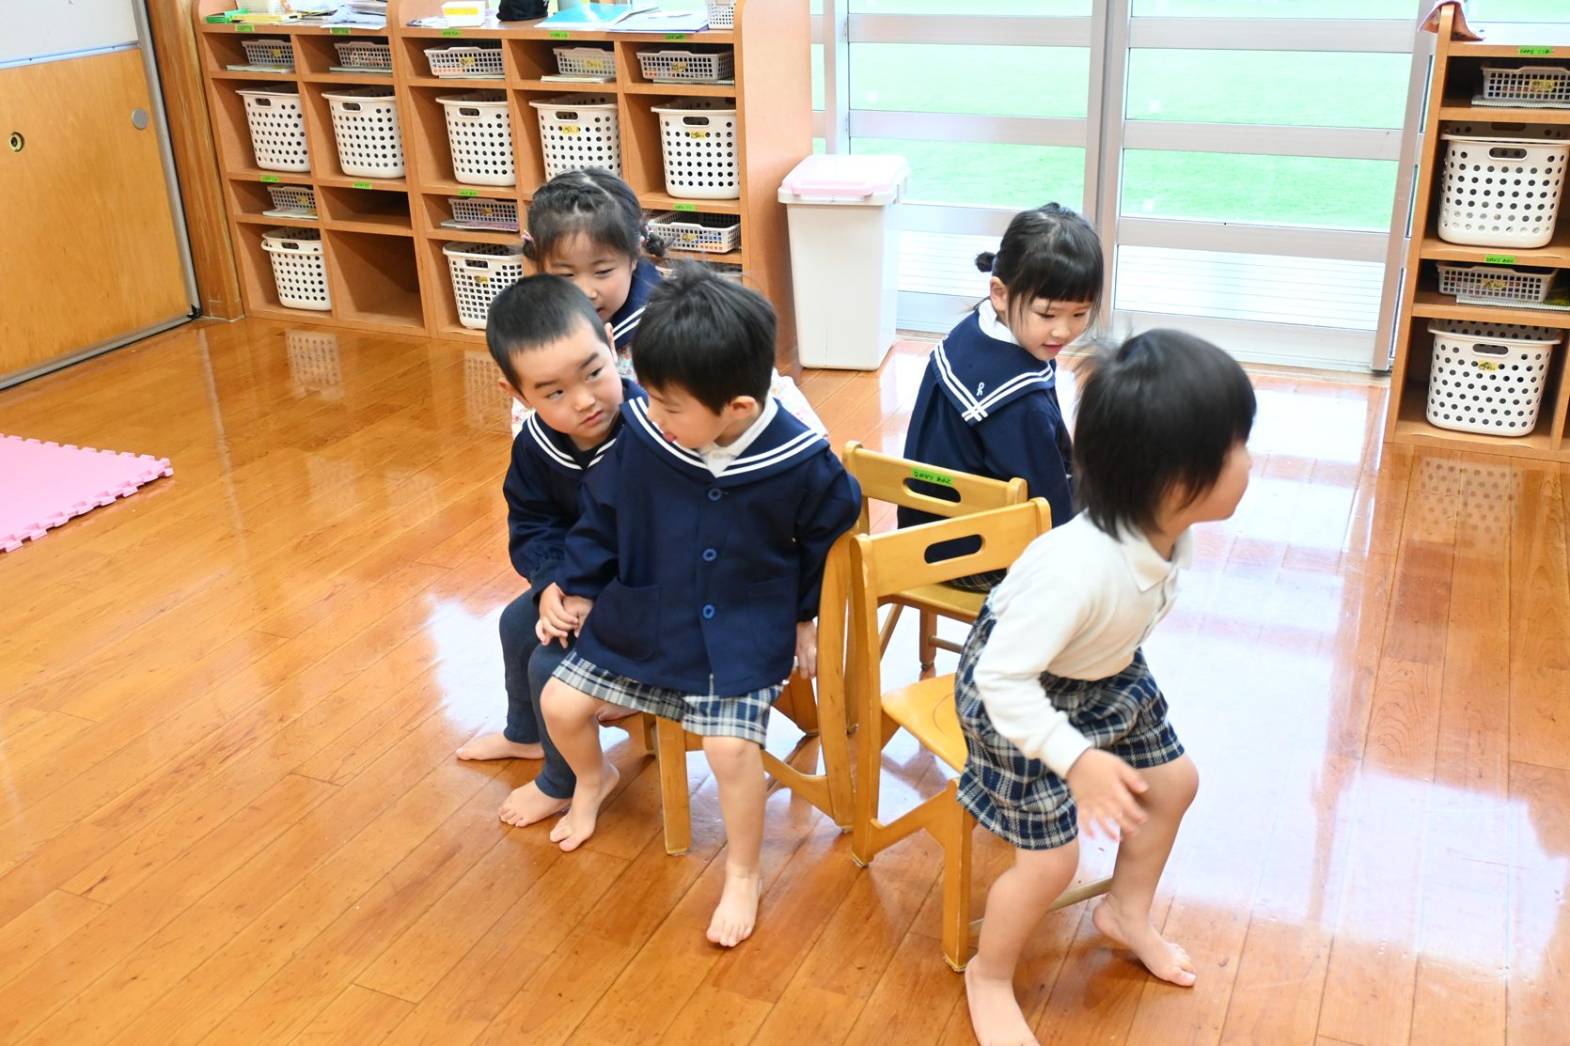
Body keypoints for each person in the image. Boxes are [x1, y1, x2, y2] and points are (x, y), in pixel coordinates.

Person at [537, 264, 861, 948]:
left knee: (730, 749)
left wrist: (805, 617)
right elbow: (603, 513)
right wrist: (579, 584)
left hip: (741, 632)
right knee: (560, 704)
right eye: (650, 395)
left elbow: (827, 542)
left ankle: (743, 871)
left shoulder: (803, 462)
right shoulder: (648, 433)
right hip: (647, 615)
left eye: (670, 405)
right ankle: (591, 781)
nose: (651, 413)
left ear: (738, 408)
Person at [956, 330, 1256, 1046]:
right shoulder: (1076, 570)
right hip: (1016, 691)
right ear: (1176, 483)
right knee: (1052, 862)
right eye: (1236, 446)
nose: (1250, 461)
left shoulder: (1166, 530)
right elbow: (1001, 678)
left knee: (1174, 783)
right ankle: (988, 974)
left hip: (1104, 669)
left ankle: (1125, 910)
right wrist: (1078, 759)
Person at [456, 275, 642, 828]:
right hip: (583, 585)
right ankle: (526, 734)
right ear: (517, 394)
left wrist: (583, 590)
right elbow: (533, 523)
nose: (584, 401)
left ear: (612, 344)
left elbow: (655, 536)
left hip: (646, 593)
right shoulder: (535, 446)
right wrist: (551, 585)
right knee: (517, 623)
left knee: (550, 660)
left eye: (594, 373)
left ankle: (570, 779)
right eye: (554, 393)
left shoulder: (653, 431)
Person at [899, 203, 1103, 590]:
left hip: (921, 533)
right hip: (974, 557)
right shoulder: (1020, 403)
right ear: (1000, 294)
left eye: (1080, 314)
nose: (1063, 331)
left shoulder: (970, 332)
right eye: (1048, 315)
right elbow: (1047, 510)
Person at [510, 168, 664, 435]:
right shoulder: (538, 334)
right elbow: (530, 423)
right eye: (565, 275)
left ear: (634, 257)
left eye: (602, 271)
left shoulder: (665, 327)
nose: (585, 292)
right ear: (539, 265)